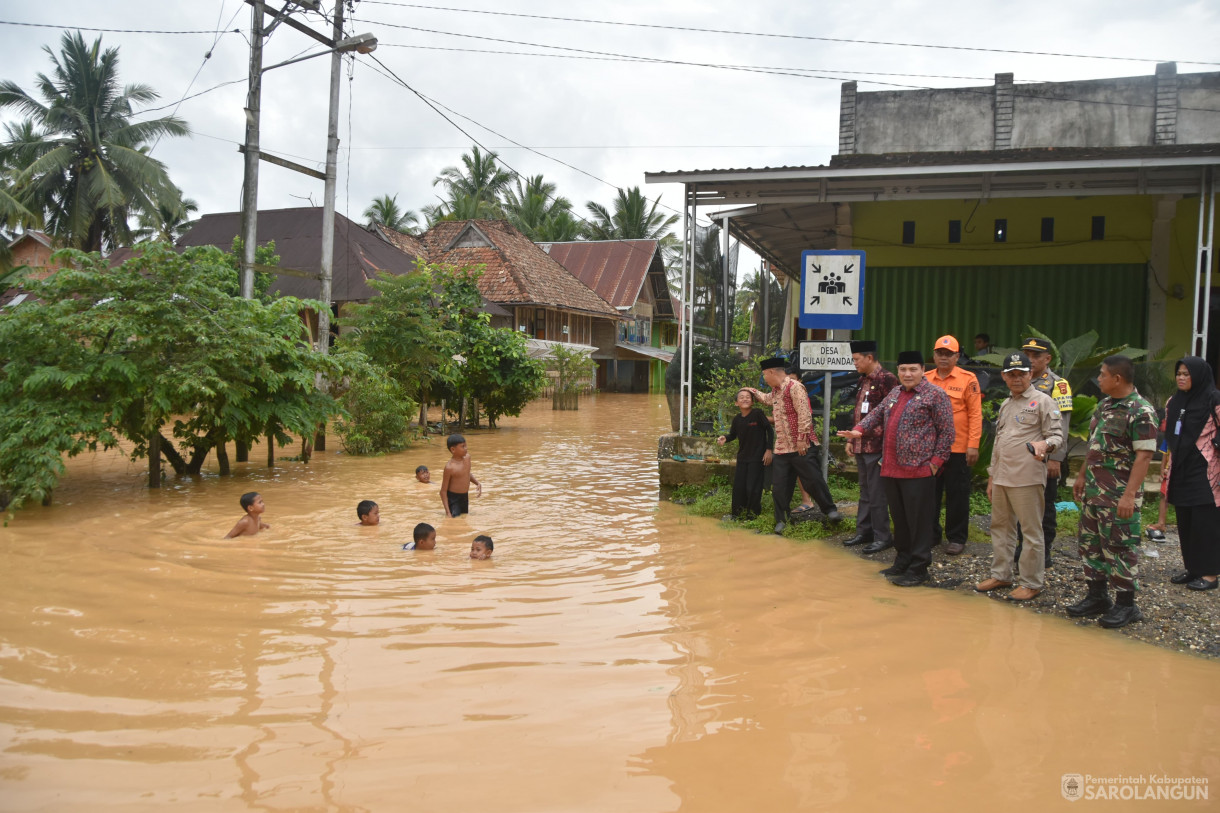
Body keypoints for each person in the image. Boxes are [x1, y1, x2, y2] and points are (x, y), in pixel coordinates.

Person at [838, 350, 955, 586]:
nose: (907, 374)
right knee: (899, 520)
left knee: (919, 522)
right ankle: (902, 560)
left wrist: (935, 464)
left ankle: (919, 567)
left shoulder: (935, 395)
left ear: (923, 370)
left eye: (913, 369)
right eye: (903, 369)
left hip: (919, 471)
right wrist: (858, 431)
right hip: (891, 469)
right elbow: (877, 414)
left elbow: (947, 433)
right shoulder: (895, 392)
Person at [1067, 355, 1158, 629]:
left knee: (1120, 548)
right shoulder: (1104, 405)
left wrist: (1129, 495)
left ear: (1117, 379)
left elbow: (1144, 457)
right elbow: (1094, 445)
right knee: (1090, 545)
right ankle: (1097, 597)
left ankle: (1126, 605)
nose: (1099, 379)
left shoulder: (1141, 410)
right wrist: (1082, 476)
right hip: (1095, 492)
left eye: (1103, 374)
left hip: (1119, 495)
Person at [974, 353, 1063, 600]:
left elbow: (1057, 435)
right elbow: (999, 443)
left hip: (1027, 477)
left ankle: (1031, 582)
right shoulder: (1006, 404)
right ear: (1004, 377)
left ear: (1030, 374)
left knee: (1031, 530)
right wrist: (992, 477)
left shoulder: (1043, 401)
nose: (1016, 379)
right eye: (1011, 374)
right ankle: (1001, 575)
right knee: (1000, 527)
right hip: (1002, 477)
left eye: (1021, 374)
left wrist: (1045, 446)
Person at [745, 358, 842, 534]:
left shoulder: (795, 387)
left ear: (772, 372)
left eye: (765, 375)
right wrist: (749, 390)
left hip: (801, 445)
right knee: (780, 486)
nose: (764, 379)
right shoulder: (775, 392)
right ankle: (781, 520)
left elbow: (804, 413)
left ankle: (830, 511)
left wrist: (801, 438)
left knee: (813, 480)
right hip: (782, 448)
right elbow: (766, 399)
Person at [1013, 337, 1074, 569]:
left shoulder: (1058, 385)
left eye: (1036, 356)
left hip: (1045, 458)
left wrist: (1056, 458)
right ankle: (1022, 546)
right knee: (1021, 504)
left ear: (1047, 359)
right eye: (1027, 354)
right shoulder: (1019, 381)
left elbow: (1063, 426)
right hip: (1021, 458)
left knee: (1045, 506)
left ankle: (1044, 551)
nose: (1030, 359)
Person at [1163, 357, 1220, 591]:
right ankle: (1193, 568)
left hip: (1206, 469)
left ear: (1199, 376)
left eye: (1187, 374)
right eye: (1179, 373)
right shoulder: (1173, 401)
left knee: (1204, 522)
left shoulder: (1213, 399)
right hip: (1181, 466)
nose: (1181, 377)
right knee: (1185, 519)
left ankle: (1209, 574)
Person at [924, 335, 982, 555]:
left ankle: (956, 538)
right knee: (930, 493)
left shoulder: (968, 379)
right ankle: (931, 533)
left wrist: (973, 445)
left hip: (958, 449)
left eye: (949, 354)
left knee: (957, 494)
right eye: (940, 353)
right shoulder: (926, 378)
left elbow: (975, 414)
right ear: (934, 354)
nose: (944, 357)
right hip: (930, 449)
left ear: (957, 356)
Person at [841, 340, 900, 553]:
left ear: (869, 357)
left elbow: (892, 414)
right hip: (861, 444)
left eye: (856, 359)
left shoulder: (888, 379)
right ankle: (864, 532)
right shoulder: (862, 380)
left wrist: (888, 449)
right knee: (865, 491)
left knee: (877, 493)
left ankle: (883, 536)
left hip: (877, 446)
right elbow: (859, 412)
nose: (854, 363)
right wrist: (851, 439)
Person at [717, 389, 774, 520]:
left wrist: (769, 450)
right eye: (741, 397)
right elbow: (733, 435)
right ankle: (736, 514)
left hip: (757, 457)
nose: (745, 399)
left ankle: (752, 515)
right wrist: (725, 438)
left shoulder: (757, 414)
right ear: (737, 403)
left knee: (753, 486)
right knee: (739, 487)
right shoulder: (737, 419)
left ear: (753, 401)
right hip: (742, 457)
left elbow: (769, 430)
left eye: (748, 397)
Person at [440, 433, 481, 518]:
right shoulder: (449, 467)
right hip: (453, 498)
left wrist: (477, 483)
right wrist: (448, 512)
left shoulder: (467, 458)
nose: (466, 449)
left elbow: (466, 473)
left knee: (464, 517)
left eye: (466, 446)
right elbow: (443, 491)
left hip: (464, 496)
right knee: (454, 521)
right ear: (453, 449)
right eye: (463, 446)